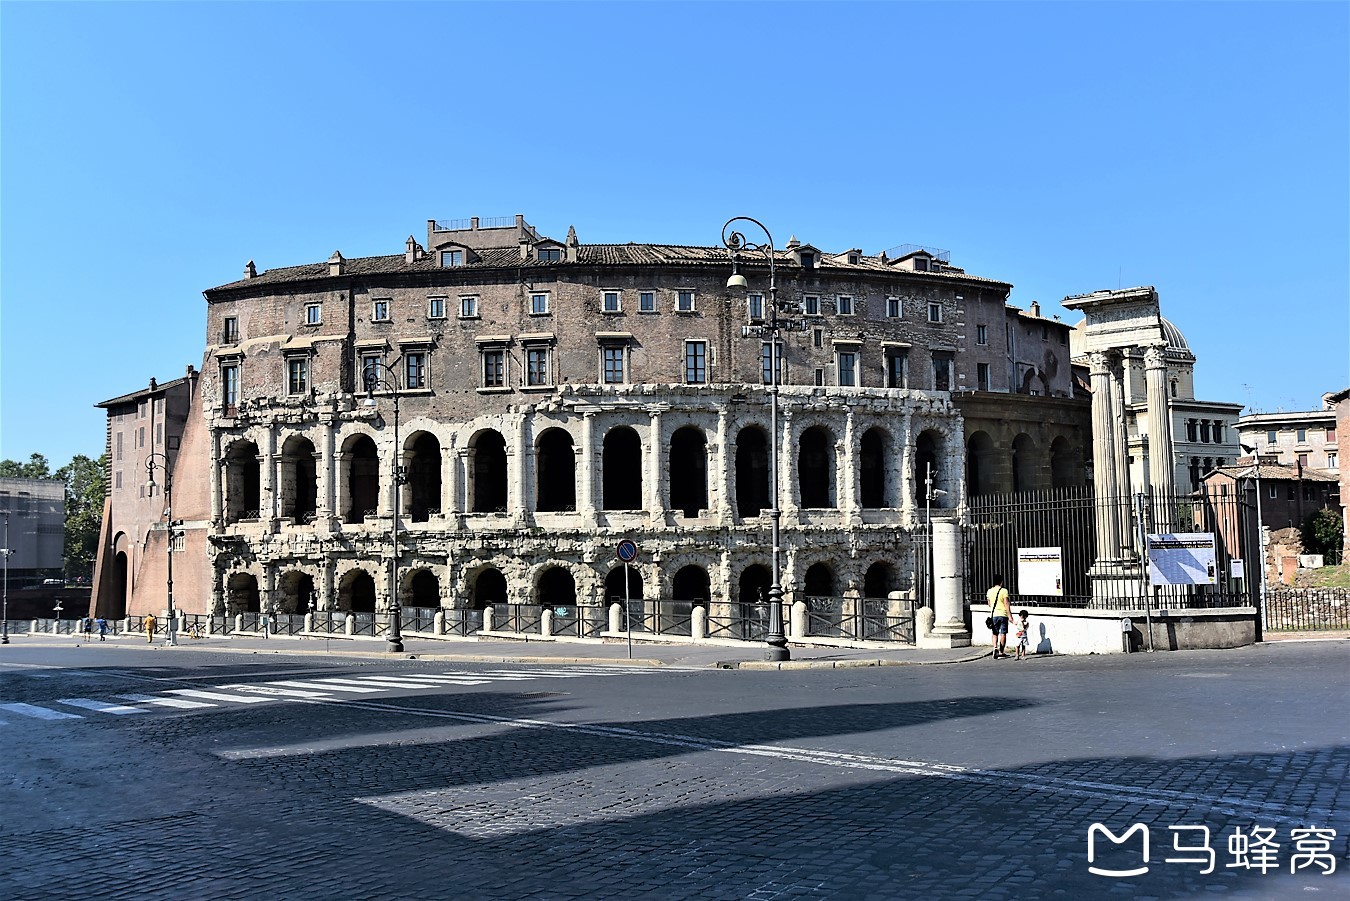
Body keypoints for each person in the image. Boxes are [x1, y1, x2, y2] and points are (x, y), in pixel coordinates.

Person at [986, 574, 1011, 658]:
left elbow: (989, 604)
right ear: (1001, 582)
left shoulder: (989, 591)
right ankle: (1001, 652)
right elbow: (1006, 604)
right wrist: (1010, 616)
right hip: (1003, 614)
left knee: (994, 633)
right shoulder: (1004, 591)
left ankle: (995, 647)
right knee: (1003, 633)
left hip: (994, 615)